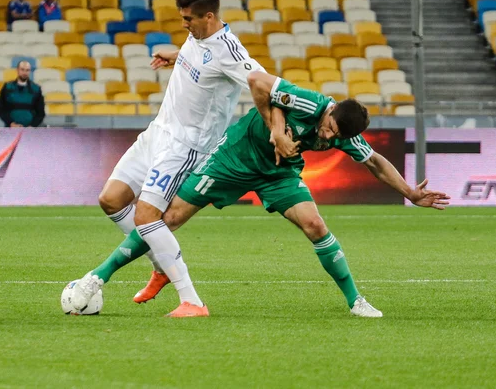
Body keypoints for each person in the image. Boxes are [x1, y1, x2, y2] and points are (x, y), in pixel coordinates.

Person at [71, 73, 450, 318]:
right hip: (233, 158)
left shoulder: (343, 131)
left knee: (315, 224)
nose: (329, 137)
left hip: (279, 173)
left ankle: (355, 301)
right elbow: (263, 87)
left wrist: (408, 193)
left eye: (336, 137)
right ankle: (99, 277)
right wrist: (277, 129)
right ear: (331, 110)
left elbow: (375, 161)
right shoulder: (311, 102)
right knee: (166, 218)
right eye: (331, 128)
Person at [71, 0, 265, 318]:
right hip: (158, 132)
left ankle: (191, 301)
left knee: (147, 217)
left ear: (209, 16)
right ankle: (160, 263)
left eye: (189, 18)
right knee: (111, 199)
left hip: (186, 145)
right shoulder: (197, 37)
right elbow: (197, 58)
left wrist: (278, 126)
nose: (184, 24)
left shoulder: (229, 51)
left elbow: (261, 80)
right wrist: (178, 56)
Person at [0, 61, 45, 128]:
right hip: (11, 130)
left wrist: (32, 126)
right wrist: (11, 123)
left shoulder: (36, 89)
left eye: (27, 70)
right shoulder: (7, 87)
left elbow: (40, 113)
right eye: (22, 69)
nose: (25, 73)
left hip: (30, 131)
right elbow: (1, 110)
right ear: (17, 70)